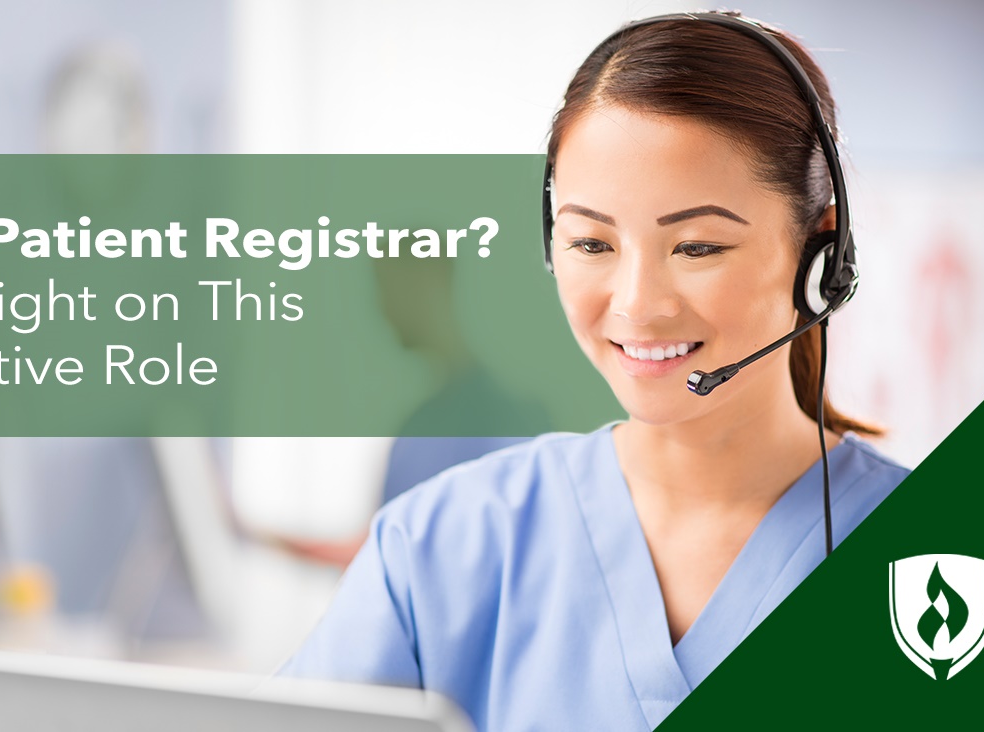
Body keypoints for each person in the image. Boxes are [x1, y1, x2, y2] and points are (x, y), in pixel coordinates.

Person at [277, 11, 910, 732]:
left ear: (820, 258)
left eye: (697, 246)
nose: (637, 305)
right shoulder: (437, 548)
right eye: (590, 242)